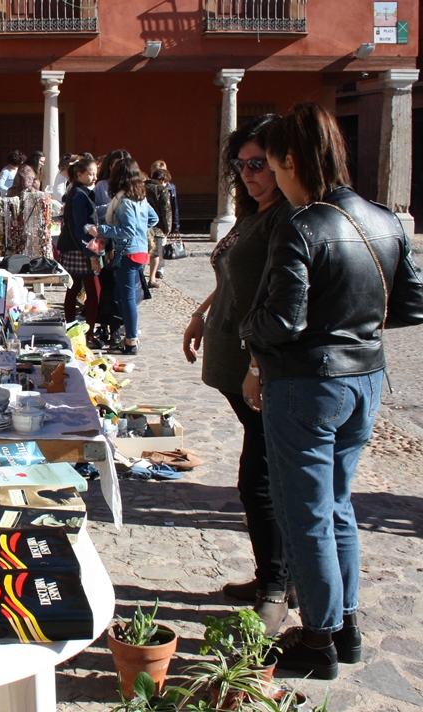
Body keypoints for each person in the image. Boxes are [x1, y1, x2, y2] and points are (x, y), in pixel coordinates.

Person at [239, 103, 423, 679]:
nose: (270, 175)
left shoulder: (303, 223)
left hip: (308, 386)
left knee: (307, 512)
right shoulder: (385, 219)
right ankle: (345, 625)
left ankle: (318, 640)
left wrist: (247, 329)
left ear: (291, 161)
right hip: (365, 377)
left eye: (272, 164)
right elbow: (412, 303)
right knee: (337, 504)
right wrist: (354, 323)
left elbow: (282, 322)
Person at [181, 114, 295, 635]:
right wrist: (203, 310)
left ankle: (277, 584)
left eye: (259, 164)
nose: (249, 174)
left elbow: (279, 296)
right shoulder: (254, 214)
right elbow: (233, 274)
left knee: (262, 480)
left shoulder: (286, 220)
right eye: (241, 164)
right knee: (260, 477)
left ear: (282, 164)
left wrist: (255, 364)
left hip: (259, 369)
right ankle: (275, 574)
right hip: (233, 360)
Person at [88, 157, 157, 355]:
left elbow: (126, 231)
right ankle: (130, 337)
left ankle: (131, 340)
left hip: (129, 253)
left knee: (127, 299)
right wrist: (140, 232)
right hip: (139, 250)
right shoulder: (140, 199)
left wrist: (100, 229)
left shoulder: (125, 202)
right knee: (125, 297)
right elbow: (153, 218)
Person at [56, 156, 100, 331]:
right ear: (80, 174)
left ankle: (72, 327)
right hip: (80, 249)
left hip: (75, 247)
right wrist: (90, 254)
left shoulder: (77, 191)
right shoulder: (79, 194)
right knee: (93, 292)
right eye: (91, 174)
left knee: (74, 290)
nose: (94, 177)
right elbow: (80, 227)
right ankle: (87, 332)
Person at [150, 160, 180, 280]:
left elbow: (173, 207)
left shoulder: (170, 188)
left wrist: (175, 225)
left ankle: (159, 270)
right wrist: (168, 227)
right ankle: (153, 273)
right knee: (157, 251)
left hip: (158, 224)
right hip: (159, 225)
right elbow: (166, 211)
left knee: (159, 250)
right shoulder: (156, 188)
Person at [144, 168, 172, 288]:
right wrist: (168, 227)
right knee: (155, 254)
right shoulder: (161, 189)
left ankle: (139, 277)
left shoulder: (142, 186)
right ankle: (152, 278)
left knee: (143, 252)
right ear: (162, 180)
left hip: (143, 225)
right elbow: (166, 210)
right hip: (157, 227)